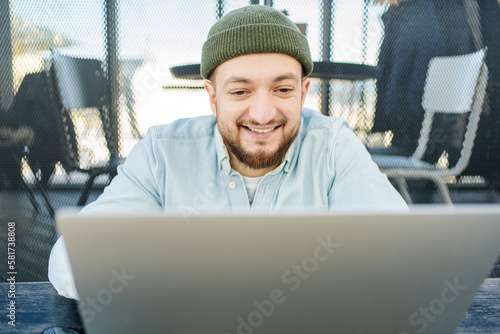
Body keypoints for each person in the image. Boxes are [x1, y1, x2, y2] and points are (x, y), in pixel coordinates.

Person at [48, 5, 407, 299]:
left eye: (283, 90)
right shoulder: (163, 155)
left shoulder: (332, 146)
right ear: (213, 97)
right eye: (240, 92)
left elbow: (400, 252)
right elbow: (69, 263)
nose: (263, 114)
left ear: (303, 91)